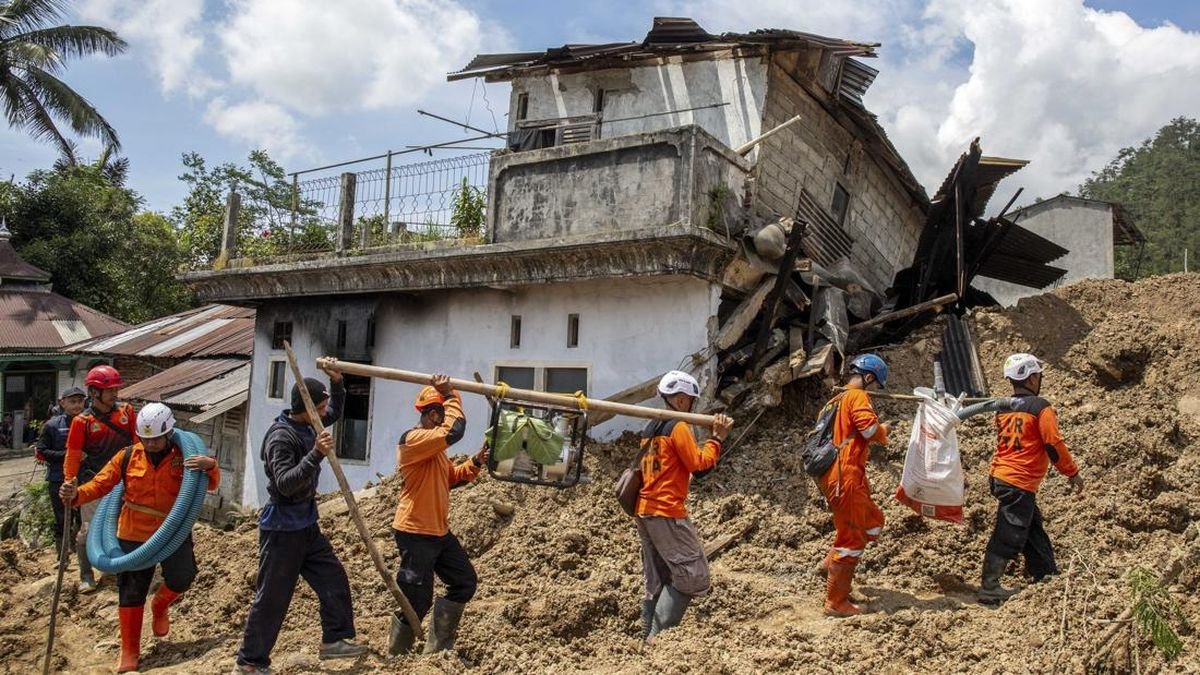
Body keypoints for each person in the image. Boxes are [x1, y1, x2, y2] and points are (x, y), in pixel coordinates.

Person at [60, 402, 220, 673]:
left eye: (156, 439)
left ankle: (160, 604)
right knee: (131, 592)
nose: (151, 444)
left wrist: (210, 467)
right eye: (146, 439)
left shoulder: (186, 456)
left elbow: (211, 485)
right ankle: (129, 652)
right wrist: (75, 495)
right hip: (134, 533)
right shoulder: (127, 457)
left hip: (173, 530)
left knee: (183, 577)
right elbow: (101, 484)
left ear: (168, 433)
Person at [235, 365, 366, 674]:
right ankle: (250, 662)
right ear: (306, 409)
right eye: (319, 408)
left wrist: (338, 382)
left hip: (306, 524)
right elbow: (285, 483)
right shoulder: (281, 438)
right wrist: (316, 454)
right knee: (272, 598)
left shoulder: (310, 424)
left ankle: (334, 640)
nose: (324, 413)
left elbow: (335, 411)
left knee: (333, 578)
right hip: (282, 528)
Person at [389, 373, 490, 655]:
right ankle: (396, 655)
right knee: (416, 601)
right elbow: (454, 431)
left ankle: (437, 652)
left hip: (438, 532)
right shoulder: (413, 440)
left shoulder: (433, 448)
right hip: (415, 532)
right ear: (434, 415)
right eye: (443, 415)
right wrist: (450, 394)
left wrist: (476, 462)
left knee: (464, 581)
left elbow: (451, 479)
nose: (445, 420)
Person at [634, 371, 733, 643]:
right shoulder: (677, 426)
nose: (691, 406)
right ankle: (657, 639)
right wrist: (717, 439)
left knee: (658, 576)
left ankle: (645, 640)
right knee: (693, 575)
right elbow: (699, 467)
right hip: (665, 510)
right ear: (680, 400)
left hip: (645, 510)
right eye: (690, 401)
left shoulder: (651, 427)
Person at [979, 353, 1084, 604]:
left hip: (1002, 476)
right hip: (1018, 481)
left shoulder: (1004, 407)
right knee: (1010, 532)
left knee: (1031, 528)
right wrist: (1072, 472)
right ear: (1032, 378)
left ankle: (1046, 575)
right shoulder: (1040, 407)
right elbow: (1052, 444)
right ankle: (990, 586)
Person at [815, 353, 890, 617]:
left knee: (872, 521)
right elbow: (869, 430)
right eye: (876, 384)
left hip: (840, 474)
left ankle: (830, 565)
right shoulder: (857, 396)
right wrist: (883, 431)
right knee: (853, 538)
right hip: (844, 475)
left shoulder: (834, 401)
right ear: (868, 377)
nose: (875, 390)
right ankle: (836, 602)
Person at [63, 365, 137, 592]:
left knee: (121, 528)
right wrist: (69, 482)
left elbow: (137, 446)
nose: (115, 393)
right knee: (88, 530)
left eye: (116, 389)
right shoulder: (82, 422)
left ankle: (116, 568)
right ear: (95, 392)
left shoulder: (126, 412)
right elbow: (73, 455)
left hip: (123, 483)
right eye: (110, 390)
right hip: (94, 483)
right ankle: (86, 575)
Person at [35, 387, 87, 559]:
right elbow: (41, 452)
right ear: (62, 403)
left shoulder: (89, 423)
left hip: (85, 479)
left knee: (83, 519)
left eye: (80, 401)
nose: (77, 405)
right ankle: (62, 556)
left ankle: (79, 553)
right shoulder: (52, 426)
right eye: (72, 401)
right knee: (62, 519)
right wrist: (69, 455)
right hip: (59, 479)